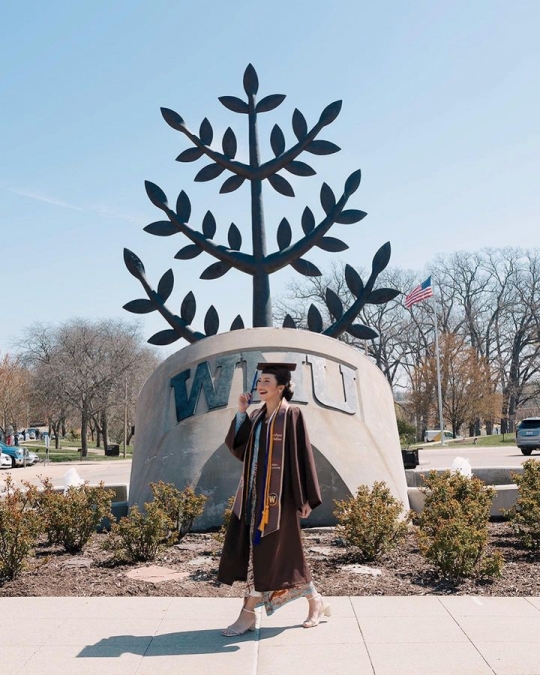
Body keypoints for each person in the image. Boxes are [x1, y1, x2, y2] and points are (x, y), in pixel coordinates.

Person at [218, 362, 330, 636]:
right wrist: (241, 413)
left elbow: (302, 455)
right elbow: (238, 448)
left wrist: (306, 498)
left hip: (281, 500)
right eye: (260, 381)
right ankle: (315, 601)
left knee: (271, 555)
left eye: (267, 381)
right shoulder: (256, 416)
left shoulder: (291, 415)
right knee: (276, 556)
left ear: (281, 387)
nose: (261, 385)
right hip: (252, 498)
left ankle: (247, 614)